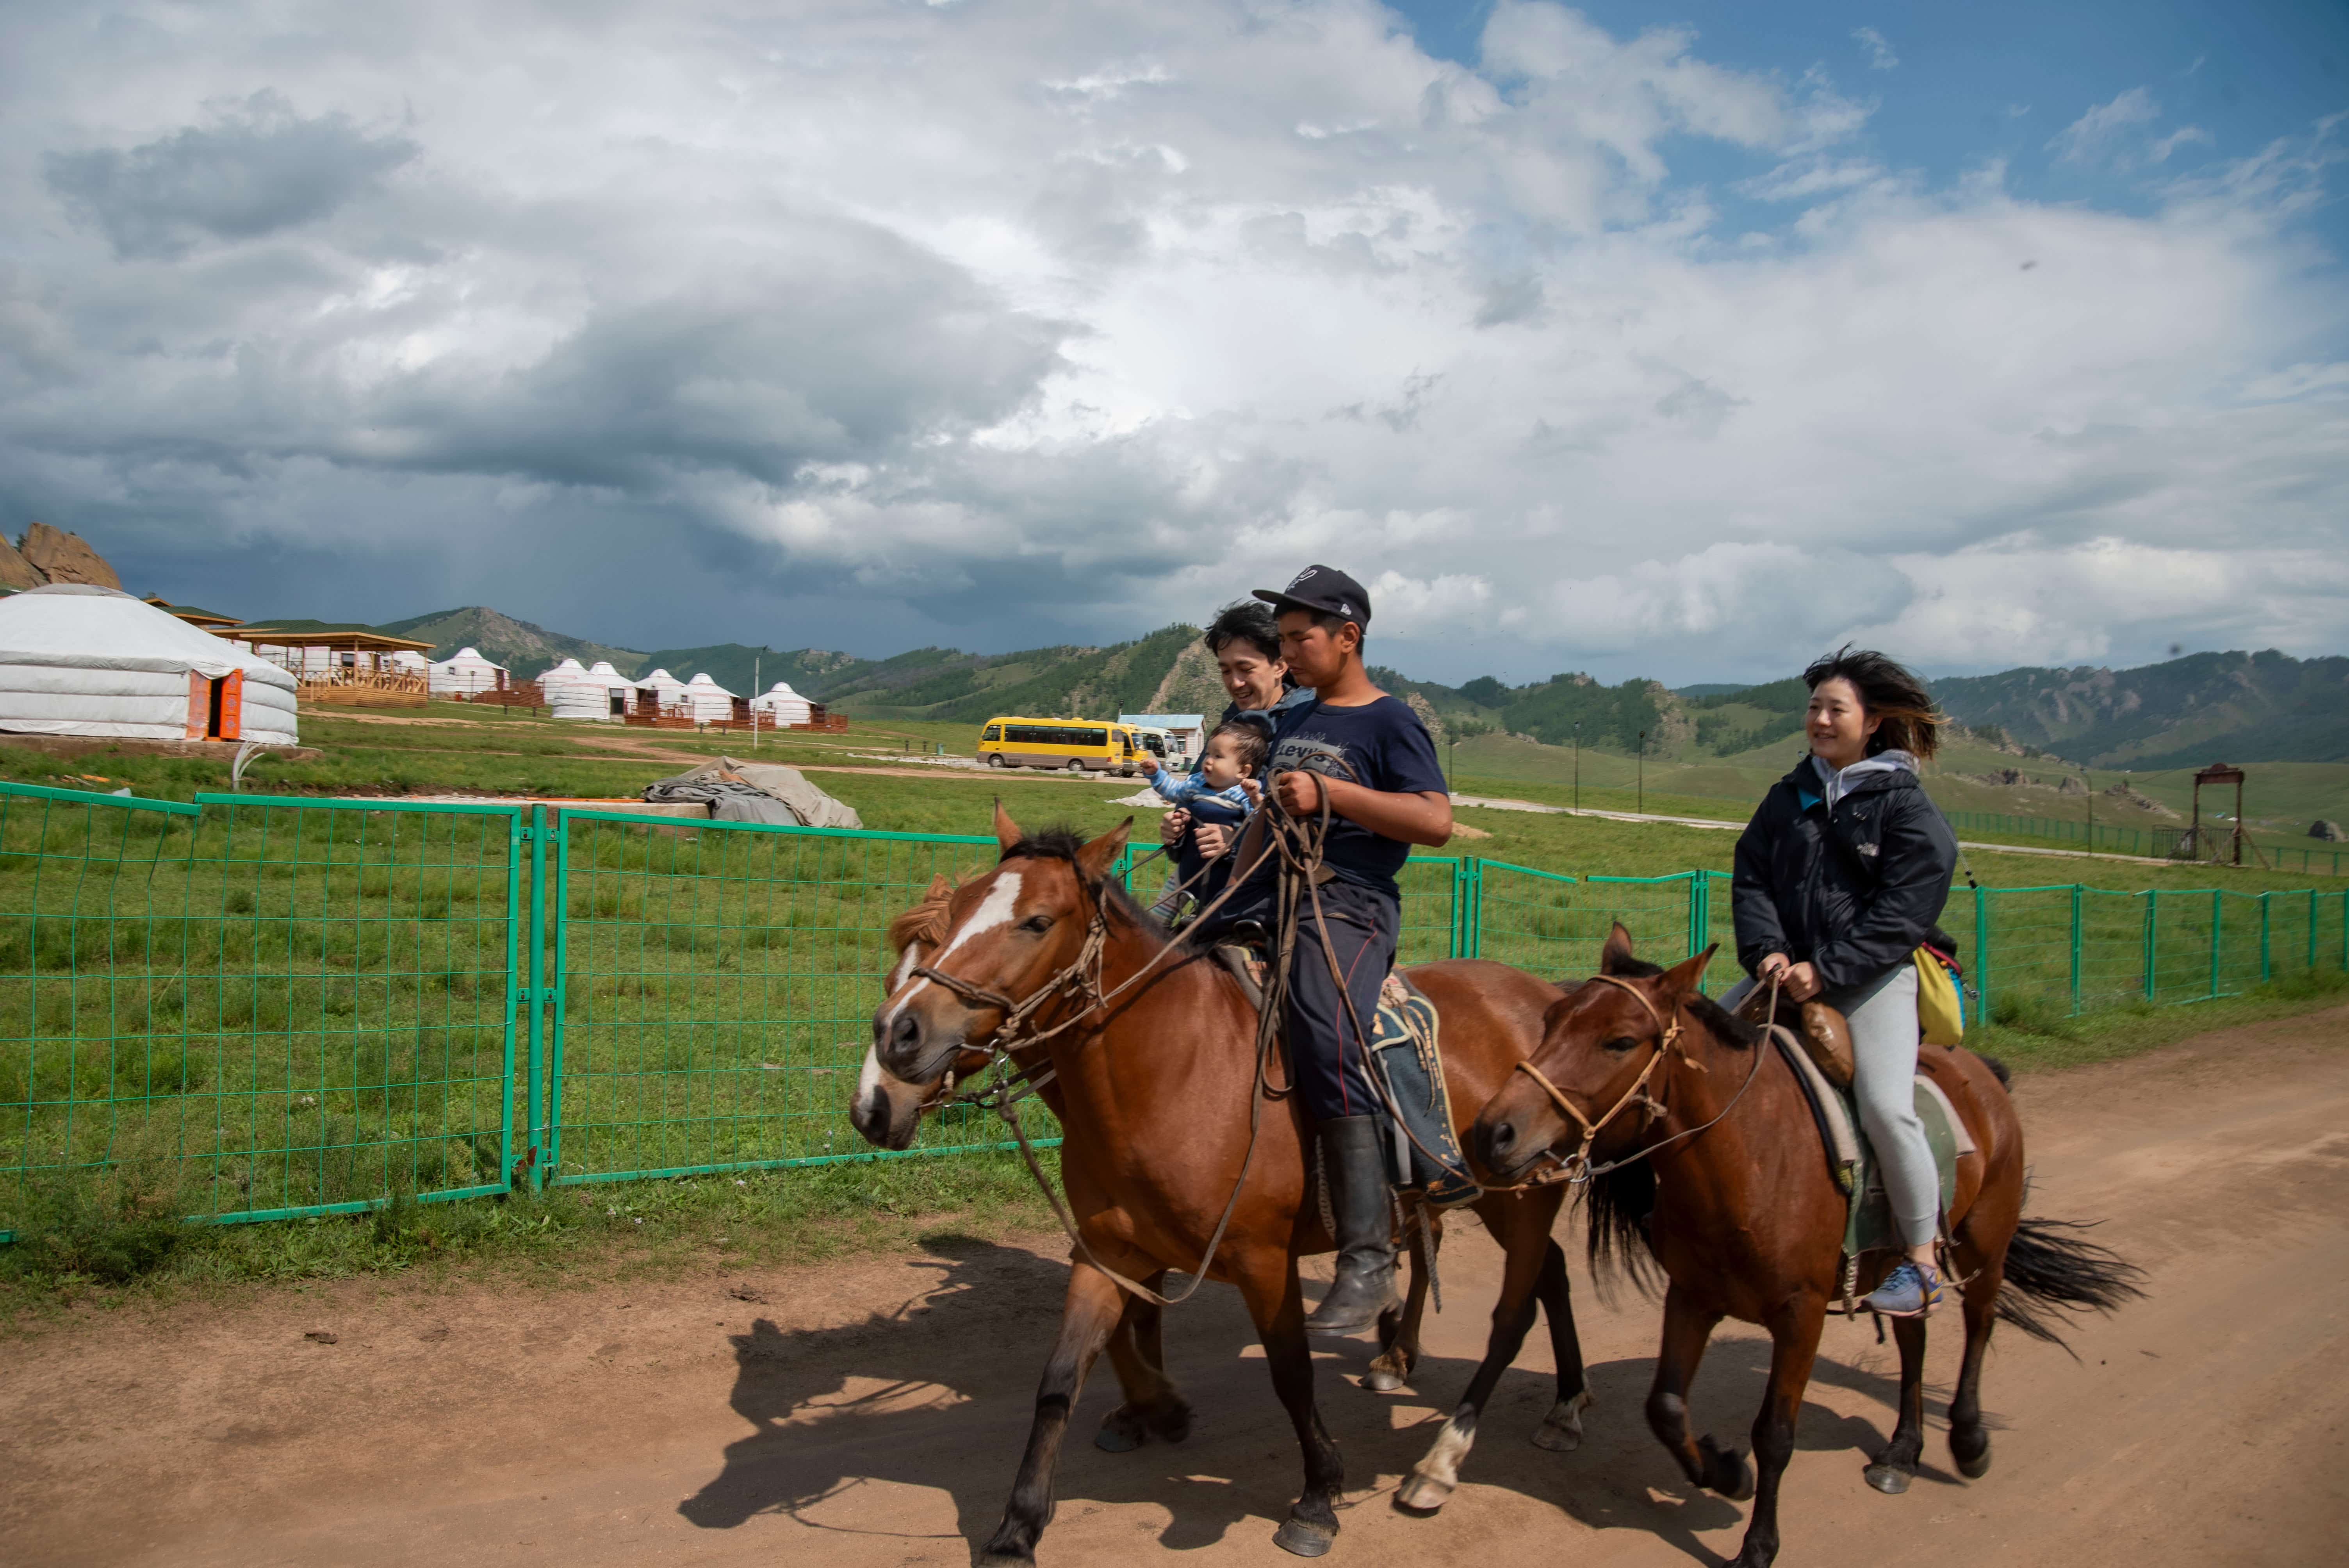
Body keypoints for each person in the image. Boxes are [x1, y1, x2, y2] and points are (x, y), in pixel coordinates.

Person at [1205, 565, 1453, 1335]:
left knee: (1323, 1018)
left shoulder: (1389, 722)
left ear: (1348, 636)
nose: (1289, 652)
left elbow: (1434, 820)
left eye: (1298, 638)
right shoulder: (1295, 722)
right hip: (1269, 894)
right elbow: (1265, 820)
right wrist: (1209, 892)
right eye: (1280, 641)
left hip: (1347, 902)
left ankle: (1368, 1254)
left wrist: (1331, 795)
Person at [1729, 646, 1959, 1317]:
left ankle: (1920, 1260)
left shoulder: (1905, 807)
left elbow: (1905, 911)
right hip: (1782, 972)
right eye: (1813, 708)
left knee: (1887, 1108)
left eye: (1836, 709)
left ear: (1874, 721)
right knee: (1693, 1051)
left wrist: (1826, 969)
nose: (1820, 720)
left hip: (1872, 978)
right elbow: (1753, 877)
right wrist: (1767, 952)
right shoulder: (1789, 796)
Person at [1162, 600, 1314, 903]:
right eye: (1225, 670)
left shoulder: (1309, 729)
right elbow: (1195, 795)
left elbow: (1309, 830)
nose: (1235, 682)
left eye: (1245, 669)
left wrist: (1239, 842)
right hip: (1205, 888)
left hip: (1282, 900)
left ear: (1280, 666)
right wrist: (1176, 831)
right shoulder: (1230, 726)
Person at [1137, 720, 1264, 920]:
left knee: (1209, 925)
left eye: (1218, 756)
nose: (1209, 761)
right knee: (1156, 919)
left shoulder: (1243, 794)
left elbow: (1261, 821)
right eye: (1208, 754)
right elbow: (1174, 792)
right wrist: (1156, 775)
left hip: (1223, 876)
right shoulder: (1196, 783)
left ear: (1243, 771)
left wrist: (1256, 799)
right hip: (1186, 868)